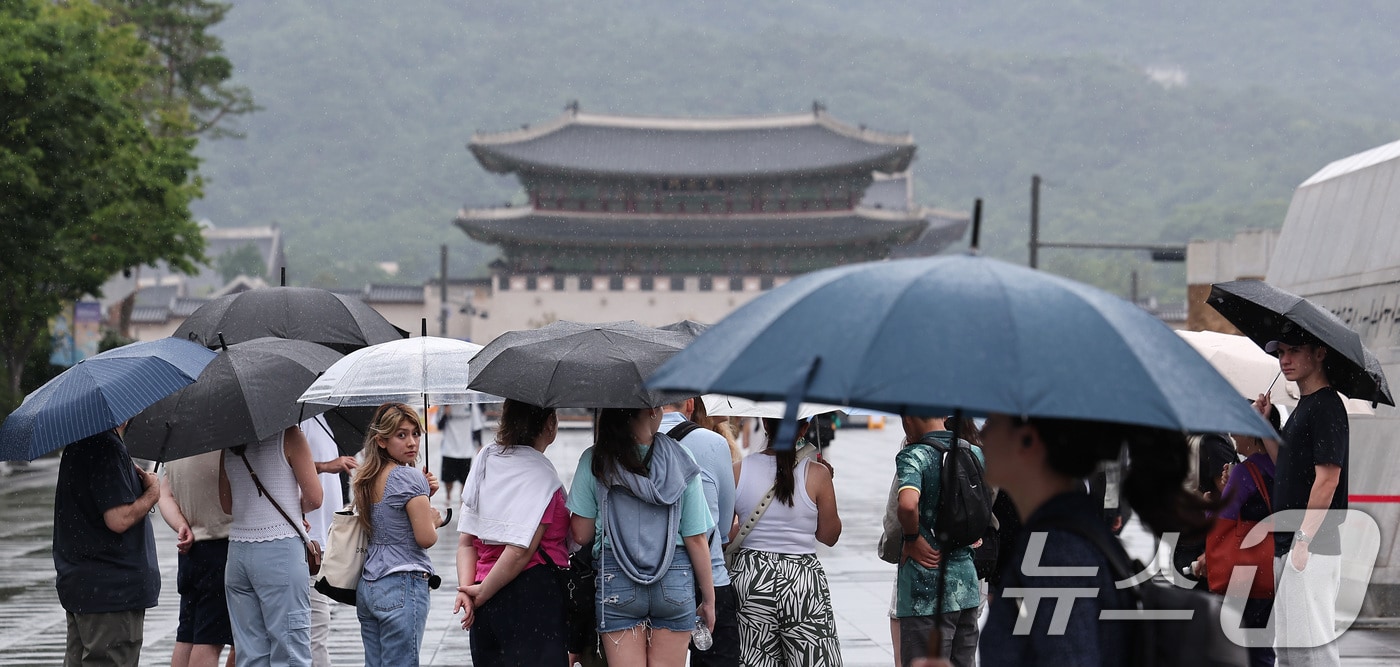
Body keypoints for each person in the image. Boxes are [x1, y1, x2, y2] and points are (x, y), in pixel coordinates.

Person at [977, 415, 1212, 665]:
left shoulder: (1058, 550)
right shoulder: (1064, 532)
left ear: (1028, 439)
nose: (982, 434)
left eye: (993, 423)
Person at [568, 406, 715, 666]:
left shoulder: (596, 459)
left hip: (617, 578)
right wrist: (709, 600)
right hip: (674, 578)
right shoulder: (681, 457)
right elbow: (695, 537)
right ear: (649, 411)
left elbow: (580, 535)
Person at [454, 399, 568, 665]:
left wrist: (468, 589)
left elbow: (466, 542)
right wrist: (479, 593)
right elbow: (519, 551)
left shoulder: (486, 461)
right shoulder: (541, 476)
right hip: (532, 599)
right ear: (550, 424)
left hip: (484, 597)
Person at [1259, 331, 1349, 666]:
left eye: (1294, 351)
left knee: (1313, 650)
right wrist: (1264, 425)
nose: (1285, 359)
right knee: (1290, 650)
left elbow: (1328, 479)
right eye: (1281, 352)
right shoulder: (1305, 406)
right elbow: (1285, 465)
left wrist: (1303, 540)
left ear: (1320, 353)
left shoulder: (1326, 406)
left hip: (1311, 544)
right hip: (1290, 541)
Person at [730, 417, 843, 666]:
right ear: (804, 428)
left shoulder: (739, 470)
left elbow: (725, 535)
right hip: (802, 581)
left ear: (765, 424)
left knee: (753, 659)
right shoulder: (817, 473)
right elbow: (829, 535)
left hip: (751, 577)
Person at [53, 426, 160, 667]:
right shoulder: (106, 447)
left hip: (83, 585)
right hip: (112, 591)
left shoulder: (79, 442)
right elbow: (118, 519)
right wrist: (152, 493)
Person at [219, 424, 323, 667]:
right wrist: (294, 508)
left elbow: (226, 504)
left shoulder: (229, 441)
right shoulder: (289, 435)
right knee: (290, 651)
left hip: (238, 553)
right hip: (280, 551)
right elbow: (315, 498)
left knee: (250, 652)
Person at [351, 403, 443, 667]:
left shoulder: (369, 477)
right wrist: (433, 520)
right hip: (402, 582)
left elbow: (390, 520)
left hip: (370, 584)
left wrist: (424, 497)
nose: (412, 442)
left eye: (415, 433)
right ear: (381, 440)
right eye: (401, 435)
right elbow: (425, 538)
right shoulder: (409, 477)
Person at [1195, 405, 1280, 667]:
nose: (1232, 434)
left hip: (1241, 571)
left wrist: (1213, 499)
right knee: (1261, 643)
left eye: (1238, 428)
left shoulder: (1243, 473)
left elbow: (1222, 523)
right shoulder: (1284, 468)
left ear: (1253, 433)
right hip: (1270, 566)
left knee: (1229, 646)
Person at [893, 415, 982, 667]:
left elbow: (908, 505)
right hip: (966, 586)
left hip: (925, 589)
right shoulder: (974, 452)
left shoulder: (914, 455)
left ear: (908, 418)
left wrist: (912, 538)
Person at [661, 397, 740, 666]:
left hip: (649, 578)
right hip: (709, 577)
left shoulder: (625, 442)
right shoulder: (713, 443)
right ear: (690, 404)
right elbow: (725, 525)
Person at [158, 450, 234, 667]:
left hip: (191, 551)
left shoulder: (178, 442)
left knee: (188, 634)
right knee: (211, 640)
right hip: (223, 544)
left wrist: (182, 525)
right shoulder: (225, 441)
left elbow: (164, 494)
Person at [301, 414, 359, 667]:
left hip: (322, 537)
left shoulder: (323, 417)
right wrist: (326, 465)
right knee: (316, 625)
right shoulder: (299, 421)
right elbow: (289, 466)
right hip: (308, 538)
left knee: (314, 626)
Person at [436, 404, 480, 507]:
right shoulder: (444, 404)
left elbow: (476, 426)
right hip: (449, 449)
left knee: (464, 480)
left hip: (466, 449)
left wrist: (479, 443)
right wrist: (446, 414)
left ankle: (462, 502)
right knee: (448, 479)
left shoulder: (471, 405)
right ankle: (448, 498)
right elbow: (439, 426)